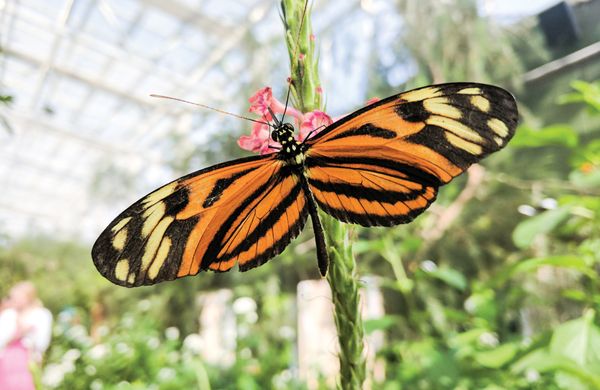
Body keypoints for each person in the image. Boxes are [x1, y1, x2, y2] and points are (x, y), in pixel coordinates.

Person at [0, 281, 53, 390]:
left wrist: (28, 332)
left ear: (28, 297)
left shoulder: (41, 315)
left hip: (29, 363)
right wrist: (17, 334)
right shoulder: (8, 315)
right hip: (6, 362)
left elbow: (42, 343)